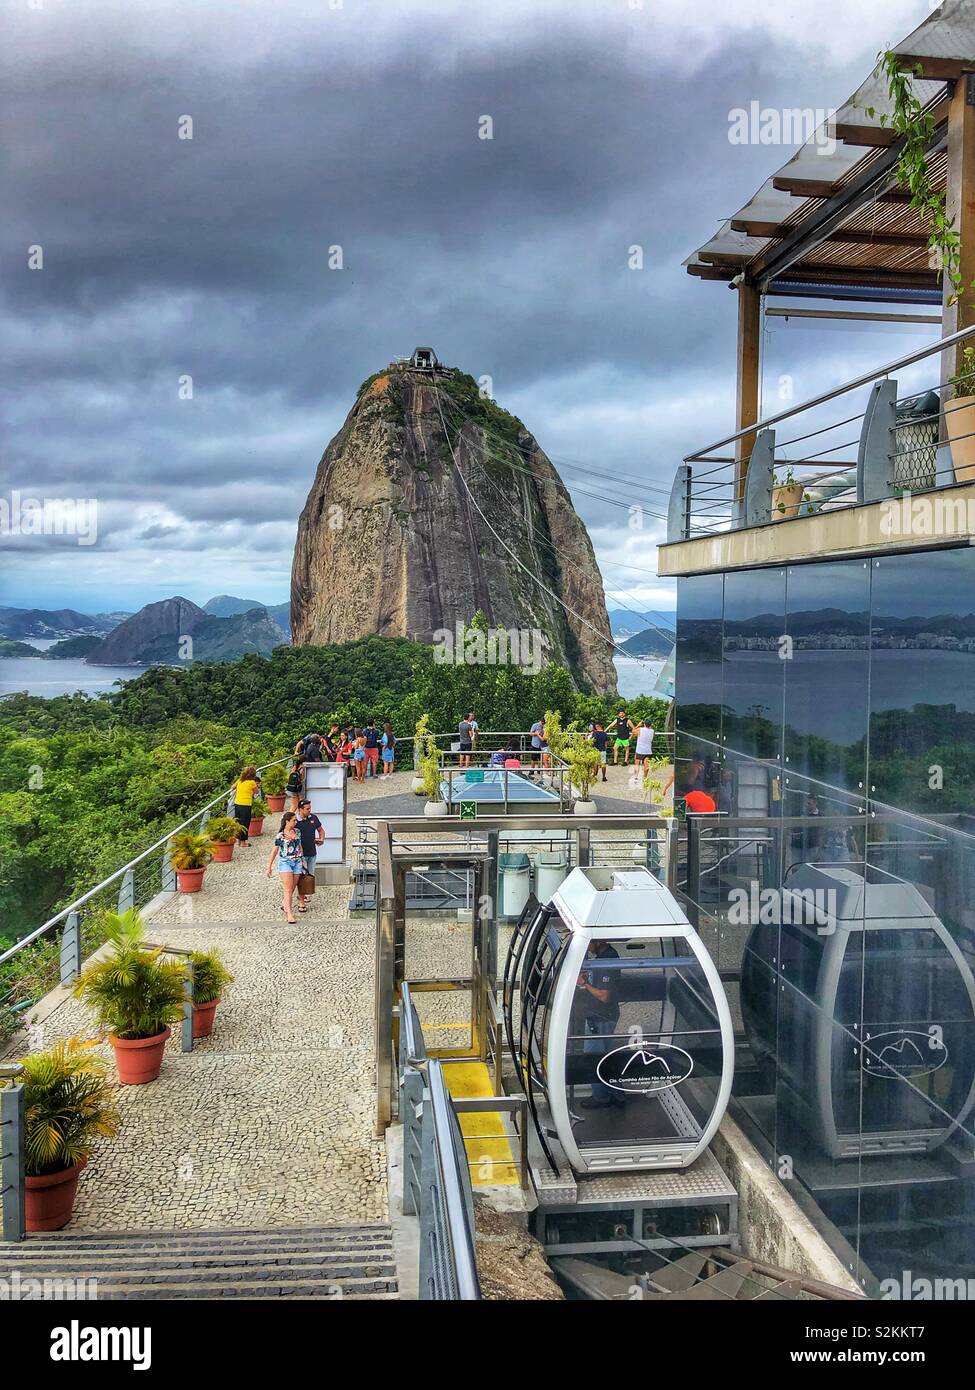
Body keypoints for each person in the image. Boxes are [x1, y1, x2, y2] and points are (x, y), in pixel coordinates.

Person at [573, 941, 623, 1111]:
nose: (587, 947)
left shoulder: (606, 962)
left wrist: (584, 984)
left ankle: (601, 1097)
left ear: (599, 941)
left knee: (594, 1059)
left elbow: (603, 996)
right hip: (605, 1017)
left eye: (590, 943)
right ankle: (615, 1093)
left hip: (600, 1020)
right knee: (606, 1057)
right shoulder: (607, 956)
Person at [265, 811, 304, 924]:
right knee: (287, 889)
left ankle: (285, 904)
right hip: (285, 862)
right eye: (293, 820)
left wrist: (303, 859)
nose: (295, 822)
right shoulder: (280, 836)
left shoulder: (297, 832)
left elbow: (300, 846)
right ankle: (289, 913)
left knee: (292, 886)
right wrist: (269, 866)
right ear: (287, 821)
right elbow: (275, 850)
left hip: (297, 861)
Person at [294, 798, 325, 913]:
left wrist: (321, 839)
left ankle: (305, 894)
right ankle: (301, 899)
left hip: (312, 852)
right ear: (300, 809)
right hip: (299, 854)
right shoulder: (294, 821)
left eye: (310, 808)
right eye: (307, 809)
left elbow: (321, 830)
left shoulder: (313, 818)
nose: (309, 811)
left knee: (309, 876)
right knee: (302, 876)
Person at [231, 765, 262, 844]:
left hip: (237, 803)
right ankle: (243, 842)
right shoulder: (252, 782)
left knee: (238, 822)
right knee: (245, 823)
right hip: (245, 805)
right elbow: (256, 792)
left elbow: (232, 787)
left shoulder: (240, 780)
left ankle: (238, 840)